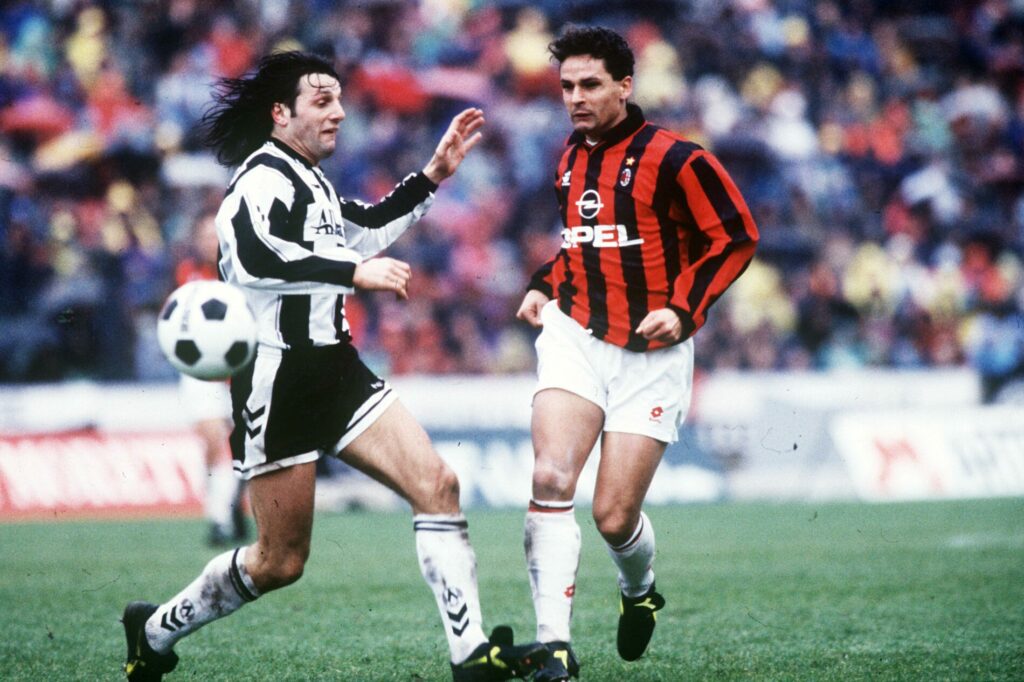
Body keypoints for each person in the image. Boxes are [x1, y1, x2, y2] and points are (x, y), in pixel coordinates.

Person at [121, 51, 547, 681]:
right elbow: (255, 259)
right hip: (279, 380)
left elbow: (366, 226)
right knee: (279, 561)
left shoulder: (311, 181)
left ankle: (469, 655)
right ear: (280, 113)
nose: (340, 112)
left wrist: (432, 174)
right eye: (323, 101)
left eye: (340, 100)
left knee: (438, 485)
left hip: (338, 370)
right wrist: (353, 272)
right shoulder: (259, 180)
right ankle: (155, 630)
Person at [515, 26, 759, 681]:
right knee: (550, 479)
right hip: (574, 335)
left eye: (590, 84)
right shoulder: (569, 158)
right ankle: (553, 646)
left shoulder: (679, 159)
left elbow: (735, 237)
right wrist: (543, 285)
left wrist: (682, 308)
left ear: (625, 84)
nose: (575, 97)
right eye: (566, 86)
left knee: (613, 515)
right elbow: (580, 243)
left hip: (652, 353)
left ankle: (639, 590)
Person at [174, 214, 248, 547]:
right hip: (201, 373)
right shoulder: (187, 274)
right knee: (214, 443)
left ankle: (228, 507)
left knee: (239, 447)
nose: (210, 241)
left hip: (238, 371)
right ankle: (220, 515)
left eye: (215, 235)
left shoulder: (244, 272)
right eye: (204, 235)